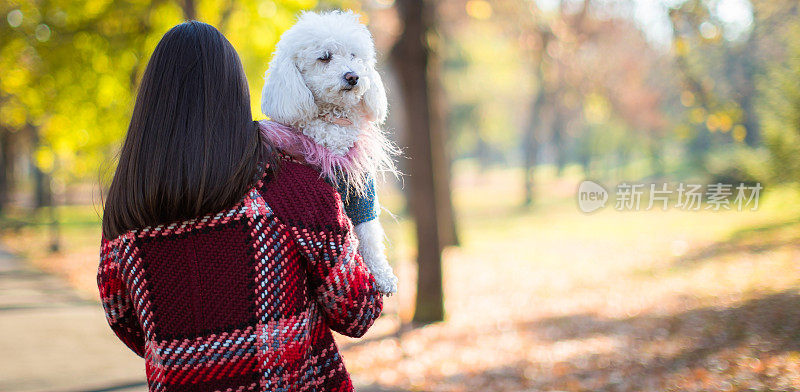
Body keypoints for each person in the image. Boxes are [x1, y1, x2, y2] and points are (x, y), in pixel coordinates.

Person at [98, 21, 383, 392]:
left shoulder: (125, 209)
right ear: (235, 95)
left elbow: (124, 318)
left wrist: (193, 354)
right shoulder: (291, 189)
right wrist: (359, 212)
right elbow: (357, 311)